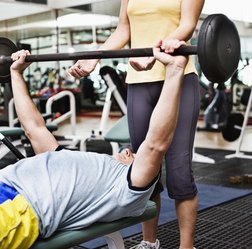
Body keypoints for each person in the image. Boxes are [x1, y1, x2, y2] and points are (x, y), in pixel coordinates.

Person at [0, 41, 188, 249]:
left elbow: (155, 144)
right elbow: (34, 127)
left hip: (11, 205)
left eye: (134, 155)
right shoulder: (62, 158)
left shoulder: (127, 188)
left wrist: (175, 70)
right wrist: (15, 73)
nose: (129, 150)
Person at [68, 1, 204, 249]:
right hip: (139, 81)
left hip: (179, 77)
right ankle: (149, 242)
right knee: (144, 169)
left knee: (180, 172)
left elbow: (187, 25)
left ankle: (187, 246)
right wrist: (94, 58)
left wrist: (155, 50)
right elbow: (123, 28)